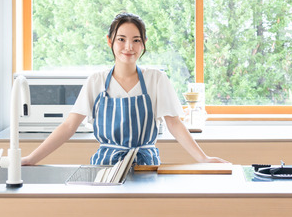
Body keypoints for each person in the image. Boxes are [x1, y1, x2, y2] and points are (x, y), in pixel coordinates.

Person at [21, 12, 228, 166]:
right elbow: (68, 127)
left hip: (146, 167)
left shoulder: (156, 79)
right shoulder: (97, 81)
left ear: (144, 44)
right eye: (121, 39)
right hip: (105, 168)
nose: (129, 47)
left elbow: (174, 124)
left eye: (136, 40)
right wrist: (31, 159)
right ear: (110, 41)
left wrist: (203, 158)